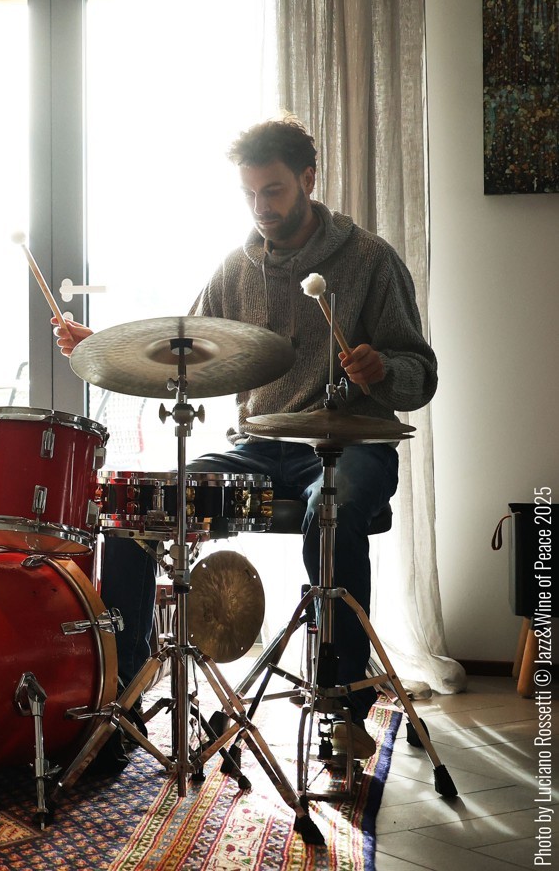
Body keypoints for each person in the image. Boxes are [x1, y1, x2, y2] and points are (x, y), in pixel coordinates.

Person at [54, 116, 436, 767]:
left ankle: (341, 704)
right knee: (135, 506)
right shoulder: (237, 266)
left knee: (333, 509)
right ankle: (123, 695)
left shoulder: (370, 260)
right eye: (250, 194)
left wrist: (384, 370)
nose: (261, 207)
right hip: (258, 450)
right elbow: (182, 349)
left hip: (350, 448)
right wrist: (105, 348)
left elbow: (421, 374)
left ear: (308, 180)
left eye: (274, 191)